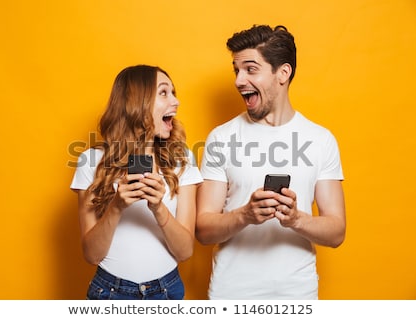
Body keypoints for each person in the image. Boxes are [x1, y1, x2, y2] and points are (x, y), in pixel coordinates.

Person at [196, 25, 346, 299]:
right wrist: (245, 215)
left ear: (283, 73)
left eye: (250, 69)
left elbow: (336, 231)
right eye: (236, 70)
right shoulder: (221, 138)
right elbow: (204, 230)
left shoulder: (320, 140)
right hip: (231, 294)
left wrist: (296, 219)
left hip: (297, 296)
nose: (239, 81)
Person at [70, 65, 202, 300]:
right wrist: (117, 206)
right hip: (110, 292)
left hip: (166, 291)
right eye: (164, 93)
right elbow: (91, 255)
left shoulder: (182, 159)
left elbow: (185, 251)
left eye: (174, 92)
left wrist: (158, 208)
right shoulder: (91, 161)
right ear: (137, 103)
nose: (176, 101)